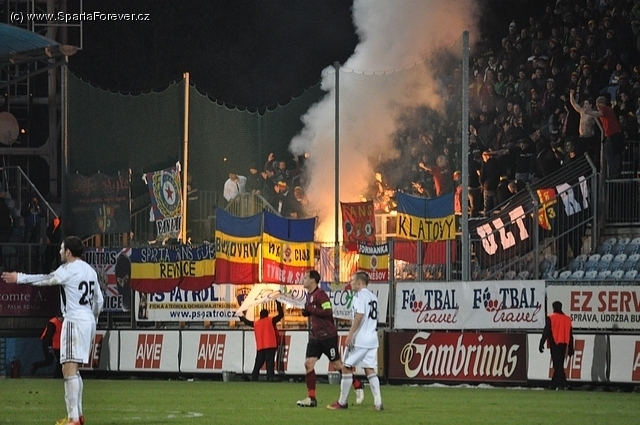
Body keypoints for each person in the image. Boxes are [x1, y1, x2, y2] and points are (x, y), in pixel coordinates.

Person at [1, 236, 103, 425]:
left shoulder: (68, 269)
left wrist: (20, 277)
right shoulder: (90, 270)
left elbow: (47, 279)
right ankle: (78, 416)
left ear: (69, 252)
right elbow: (99, 300)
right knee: (73, 368)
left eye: (62, 249)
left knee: (68, 368)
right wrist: (93, 318)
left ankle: (74, 419)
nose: (60, 252)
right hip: (88, 319)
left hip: (74, 319)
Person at [296, 270, 364, 408]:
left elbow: (327, 312)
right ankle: (311, 398)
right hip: (315, 336)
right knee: (308, 364)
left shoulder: (321, 295)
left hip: (327, 336)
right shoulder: (309, 295)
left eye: (305, 278)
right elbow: (314, 310)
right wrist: (307, 311)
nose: (303, 280)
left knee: (337, 365)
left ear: (312, 281)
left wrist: (311, 309)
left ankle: (357, 384)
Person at [327, 271, 383, 411]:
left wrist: (350, 334)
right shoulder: (373, 297)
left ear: (359, 283)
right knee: (370, 369)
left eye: (352, 281)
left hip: (360, 339)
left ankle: (342, 402)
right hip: (372, 338)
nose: (350, 283)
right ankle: (378, 403)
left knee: (346, 367)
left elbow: (359, 315)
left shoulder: (359, 296)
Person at [238, 301, 284, 382]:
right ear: (267, 314)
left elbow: (247, 322)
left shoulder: (256, 323)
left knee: (258, 364)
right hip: (270, 345)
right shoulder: (270, 320)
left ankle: (254, 378)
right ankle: (270, 378)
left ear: (260, 315)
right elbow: (281, 315)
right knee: (269, 363)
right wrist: (278, 303)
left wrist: (242, 318)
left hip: (261, 346)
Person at [539, 301, 574, 390]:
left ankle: (564, 384)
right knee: (559, 365)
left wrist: (541, 342)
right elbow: (570, 335)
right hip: (564, 343)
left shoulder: (551, 317)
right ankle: (553, 385)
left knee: (557, 365)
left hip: (555, 343)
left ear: (553, 307)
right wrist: (571, 348)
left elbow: (546, 331)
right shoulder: (567, 319)